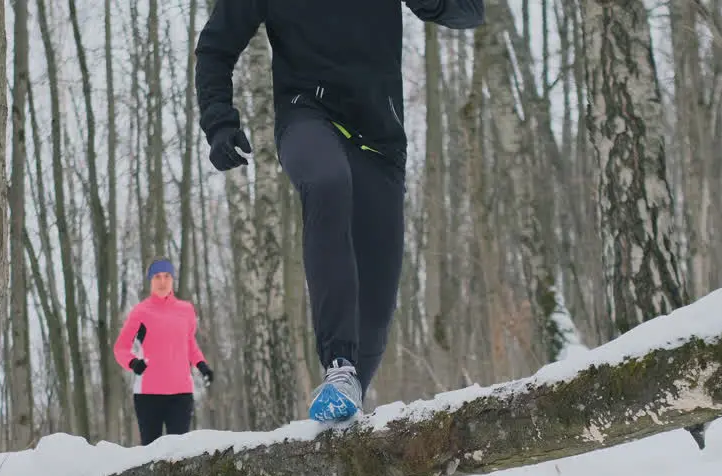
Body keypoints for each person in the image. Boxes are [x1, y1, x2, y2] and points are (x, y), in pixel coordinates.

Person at [194, 0, 484, 423]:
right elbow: (215, 47)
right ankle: (338, 367)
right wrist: (219, 122)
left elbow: (469, 13)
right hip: (306, 116)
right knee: (328, 182)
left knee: (376, 307)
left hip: (380, 140)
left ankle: (345, 412)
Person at [114, 257, 215, 447]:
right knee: (150, 456)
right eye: (157, 277)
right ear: (151, 281)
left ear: (173, 279)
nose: (162, 282)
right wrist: (133, 363)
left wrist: (203, 366)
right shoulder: (141, 312)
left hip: (181, 394)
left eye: (167, 276)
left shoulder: (186, 310)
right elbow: (120, 348)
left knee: (179, 454)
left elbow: (189, 343)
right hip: (148, 395)